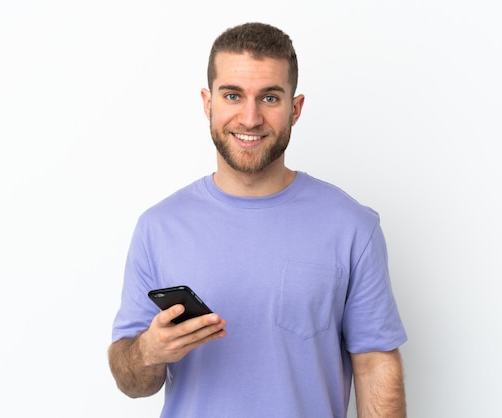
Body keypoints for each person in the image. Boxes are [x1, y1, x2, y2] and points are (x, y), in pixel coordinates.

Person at [108, 22, 408, 418]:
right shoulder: (159, 228)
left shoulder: (353, 227)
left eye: (269, 97)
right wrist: (150, 351)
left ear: (294, 109)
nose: (250, 118)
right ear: (207, 103)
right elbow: (131, 382)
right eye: (233, 95)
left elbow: (374, 364)